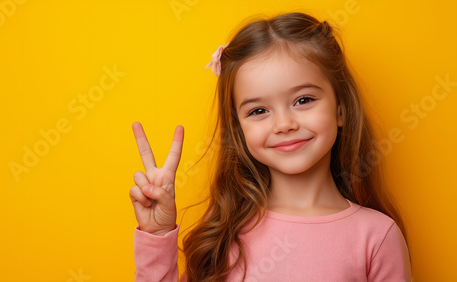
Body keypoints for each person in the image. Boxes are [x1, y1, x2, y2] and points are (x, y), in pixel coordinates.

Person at [130, 12, 412, 282]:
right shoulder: (222, 236)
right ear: (239, 129)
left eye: (303, 100)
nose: (284, 124)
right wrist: (157, 235)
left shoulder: (376, 235)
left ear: (340, 109)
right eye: (258, 111)